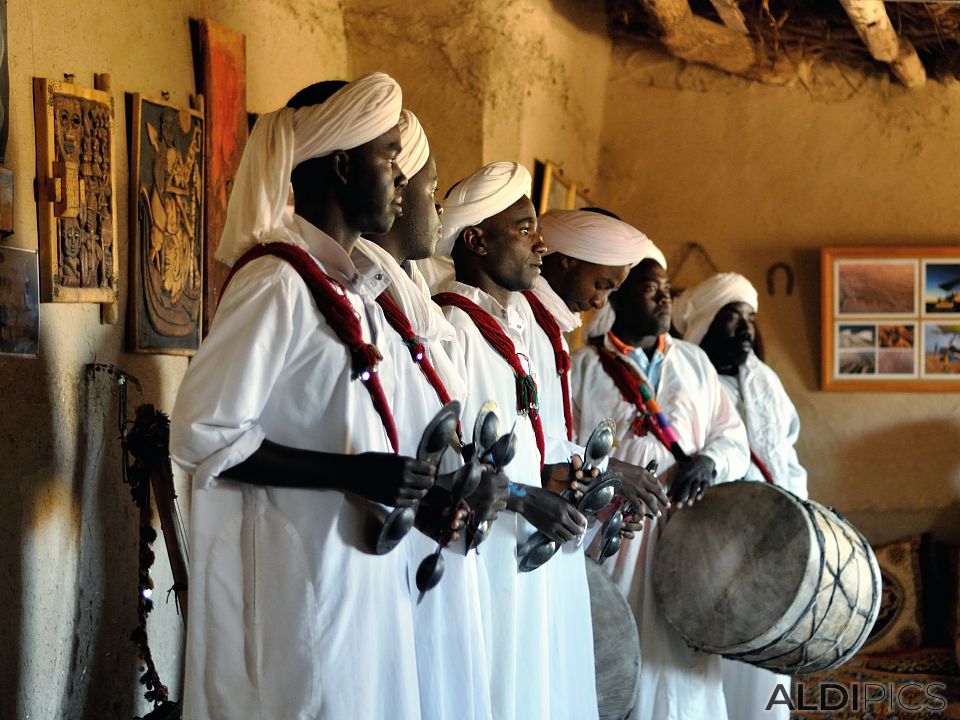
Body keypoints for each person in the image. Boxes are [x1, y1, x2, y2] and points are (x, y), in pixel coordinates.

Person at [170, 73, 433, 720]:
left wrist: (413, 497)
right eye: (388, 156)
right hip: (301, 593)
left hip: (359, 585)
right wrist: (353, 473)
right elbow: (203, 433)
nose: (399, 178)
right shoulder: (275, 282)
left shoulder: (352, 292)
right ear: (342, 166)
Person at [354, 109, 506, 720]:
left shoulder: (411, 296)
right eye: (429, 188)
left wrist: (474, 483)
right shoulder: (363, 295)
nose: (436, 207)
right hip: (395, 539)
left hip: (439, 529)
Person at [428, 161, 589, 720]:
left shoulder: (515, 325)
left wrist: (558, 474)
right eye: (523, 229)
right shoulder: (452, 329)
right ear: (475, 240)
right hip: (481, 548)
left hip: (522, 541)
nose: (540, 244)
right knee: (493, 684)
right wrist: (523, 496)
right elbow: (443, 456)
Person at [570, 255, 750, 720]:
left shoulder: (693, 363)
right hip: (614, 541)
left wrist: (710, 462)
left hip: (687, 539)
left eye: (667, 287)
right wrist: (610, 472)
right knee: (617, 656)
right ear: (620, 295)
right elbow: (561, 449)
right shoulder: (583, 368)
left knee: (685, 669)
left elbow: (732, 436)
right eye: (651, 288)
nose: (665, 296)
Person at [519, 208, 674, 717]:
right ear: (561, 263)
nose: (600, 301)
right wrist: (606, 471)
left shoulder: (550, 332)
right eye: (602, 284)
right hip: (522, 522)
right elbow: (531, 447)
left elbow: (553, 442)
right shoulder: (524, 327)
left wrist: (604, 481)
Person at [672, 272, 808, 719]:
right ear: (707, 322)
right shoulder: (687, 379)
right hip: (713, 549)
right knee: (712, 670)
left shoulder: (764, 381)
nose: (747, 329)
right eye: (733, 318)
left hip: (774, 546)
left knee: (767, 678)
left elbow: (787, 458)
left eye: (750, 318)